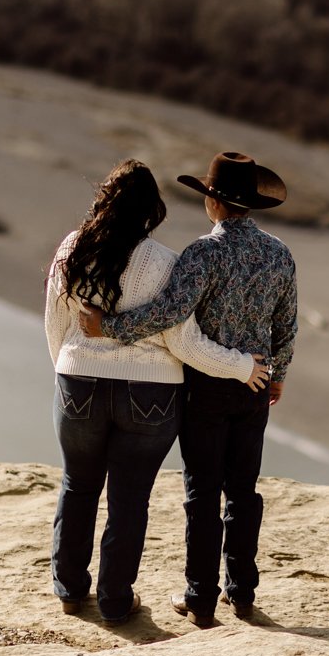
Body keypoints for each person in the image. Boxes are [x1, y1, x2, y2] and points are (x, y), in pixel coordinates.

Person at [45, 159, 270, 626]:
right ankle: (113, 601)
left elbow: (56, 323)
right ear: (153, 210)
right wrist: (242, 366)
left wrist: (69, 371)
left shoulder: (73, 247)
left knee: (78, 484)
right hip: (150, 393)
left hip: (78, 382)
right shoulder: (166, 262)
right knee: (130, 498)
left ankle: (69, 589)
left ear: (104, 201)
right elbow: (181, 341)